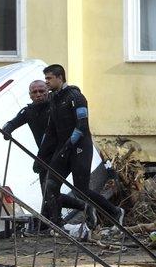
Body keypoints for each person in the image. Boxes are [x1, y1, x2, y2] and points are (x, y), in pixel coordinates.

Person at [39, 64, 123, 228]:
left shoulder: (76, 97)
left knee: (81, 190)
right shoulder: (54, 99)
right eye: (45, 79)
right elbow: (50, 131)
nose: (46, 82)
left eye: (49, 78)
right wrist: (41, 155)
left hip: (80, 148)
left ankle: (115, 211)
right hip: (63, 149)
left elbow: (82, 125)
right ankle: (57, 224)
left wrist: (69, 144)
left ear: (60, 78)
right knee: (50, 184)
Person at [2, 79, 87, 223]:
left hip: (62, 154)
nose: (38, 95)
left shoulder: (55, 107)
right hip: (45, 156)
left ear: (47, 91)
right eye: (34, 92)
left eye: (41, 91)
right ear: (30, 95)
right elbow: (12, 123)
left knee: (50, 190)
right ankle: (82, 207)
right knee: (48, 194)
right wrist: (7, 130)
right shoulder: (28, 111)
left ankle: (57, 221)